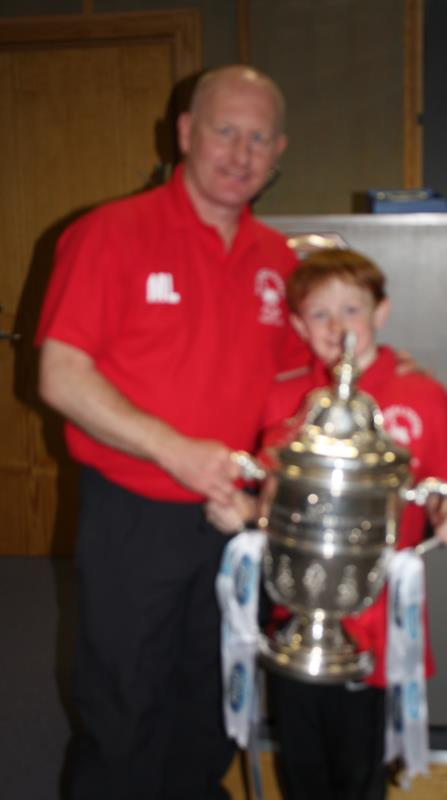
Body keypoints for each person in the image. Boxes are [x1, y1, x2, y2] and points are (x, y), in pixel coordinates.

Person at [36, 64, 304, 800]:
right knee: (123, 698)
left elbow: (293, 387)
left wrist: (271, 472)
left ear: (278, 151)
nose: (240, 154)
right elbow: (61, 375)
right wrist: (175, 451)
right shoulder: (110, 233)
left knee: (212, 694)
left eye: (259, 138)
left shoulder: (279, 261)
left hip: (233, 517)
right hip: (134, 513)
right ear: (185, 133)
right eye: (225, 131)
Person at [206, 248, 447, 800]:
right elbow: (271, 501)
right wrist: (244, 512)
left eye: (351, 309)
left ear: (381, 311)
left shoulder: (422, 396)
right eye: (320, 314)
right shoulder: (284, 399)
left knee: (359, 770)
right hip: (293, 614)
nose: (337, 327)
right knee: (300, 761)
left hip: (376, 621)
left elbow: (446, 491)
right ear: (298, 325)